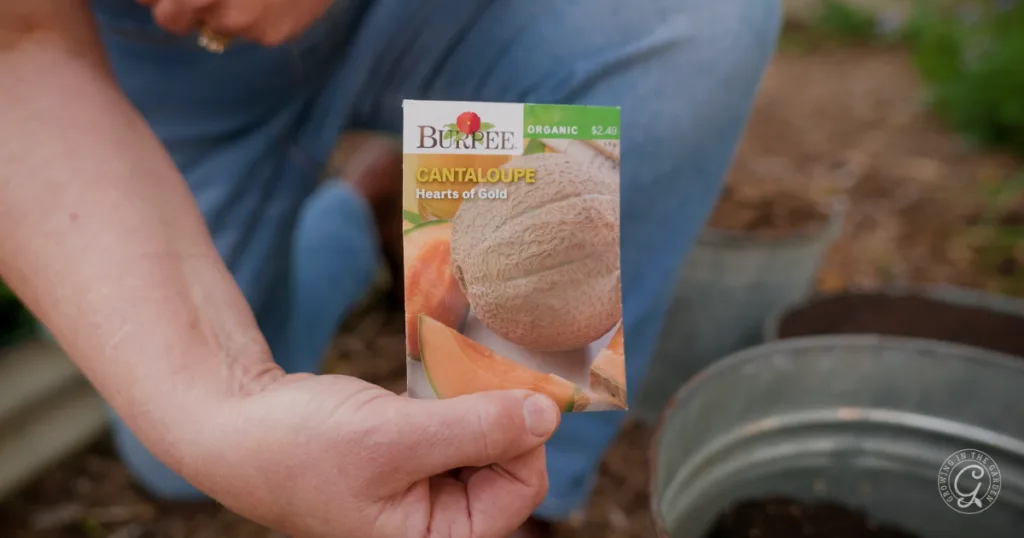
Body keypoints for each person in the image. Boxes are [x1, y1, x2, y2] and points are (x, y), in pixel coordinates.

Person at [0, 0, 781, 536]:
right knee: (176, 464)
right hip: (150, 74)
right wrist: (217, 409)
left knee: (695, 20)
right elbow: (18, 43)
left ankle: (516, 494)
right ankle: (351, 217)